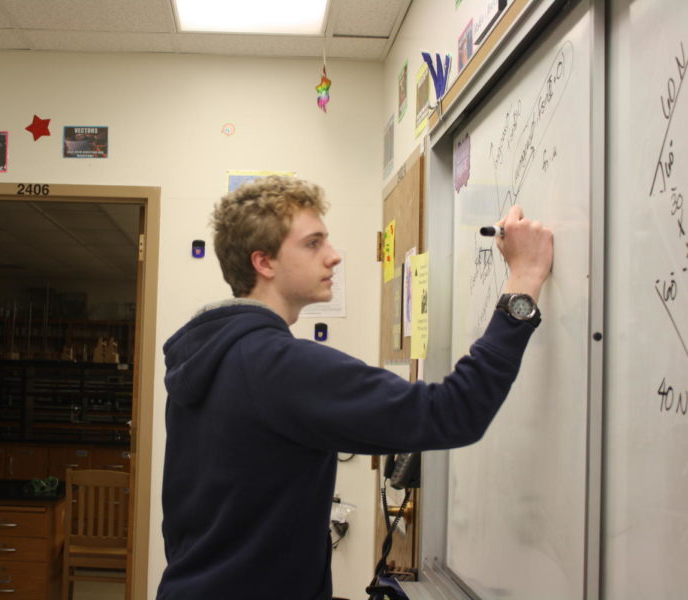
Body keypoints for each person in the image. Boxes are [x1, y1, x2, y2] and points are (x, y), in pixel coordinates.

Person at [156, 176, 553, 599]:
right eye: (313, 243)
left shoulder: (206, 359)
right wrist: (523, 282)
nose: (334, 256)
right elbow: (453, 412)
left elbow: (220, 527)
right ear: (264, 262)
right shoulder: (278, 367)